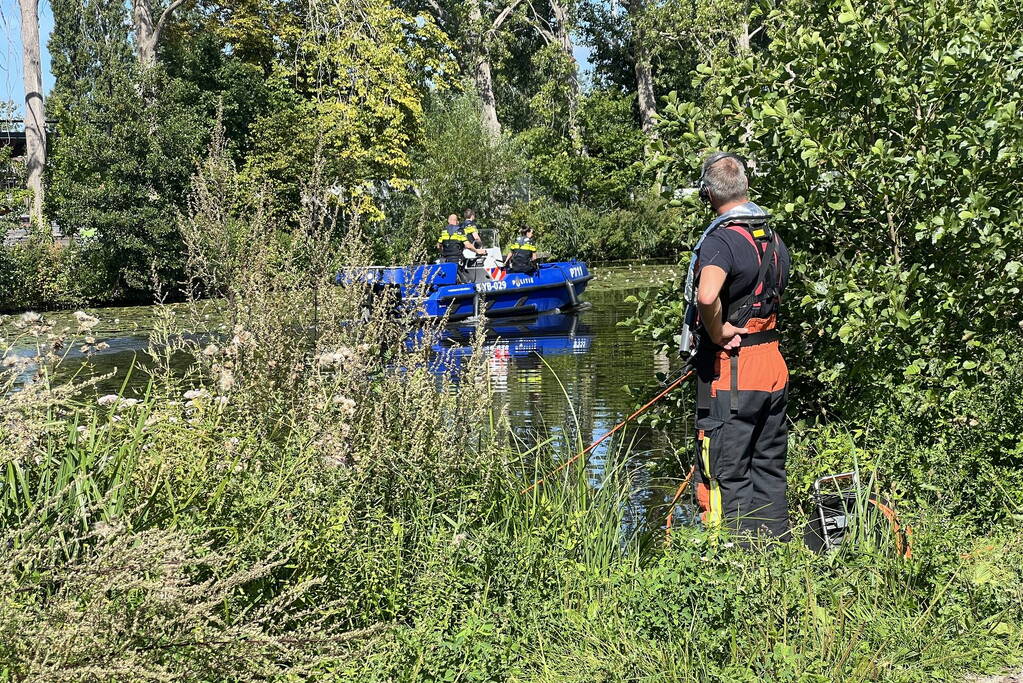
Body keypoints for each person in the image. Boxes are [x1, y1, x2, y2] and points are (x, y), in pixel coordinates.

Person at [690, 152, 791, 542]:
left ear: (708, 194)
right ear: (745, 186)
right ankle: (773, 550)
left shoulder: (722, 240)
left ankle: (729, 558)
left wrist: (716, 332)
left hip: (734, 370)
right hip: (773, 365)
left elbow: (707, 295)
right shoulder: (773, 239)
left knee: (724, 470)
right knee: (768, 466)